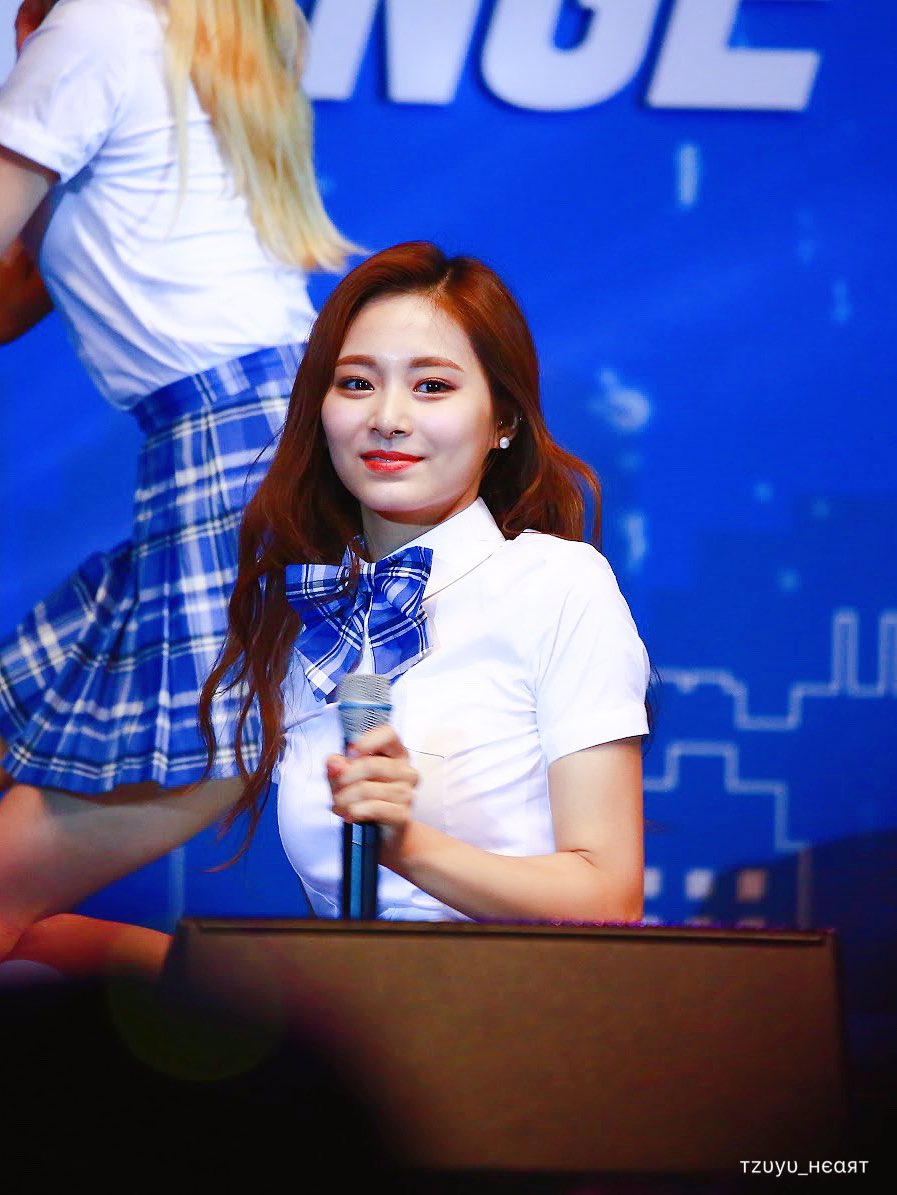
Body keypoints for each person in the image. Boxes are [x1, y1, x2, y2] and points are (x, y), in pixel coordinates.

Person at [0, 0, 357, 963]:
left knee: (212, 745)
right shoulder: (161, 32)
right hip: (258, 435)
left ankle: (291, 1024)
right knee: (32, 713)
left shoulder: (98, 26)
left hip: (236, 450)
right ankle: (265, 1017)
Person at [200, 240, 651, 924]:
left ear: (502, 419)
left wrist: (407, 844)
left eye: (431, 386)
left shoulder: (555, 584)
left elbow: (608, 898)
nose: (387, 418)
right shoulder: (309, 614)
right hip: (342, 987)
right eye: (357, 383)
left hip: (509, 988)